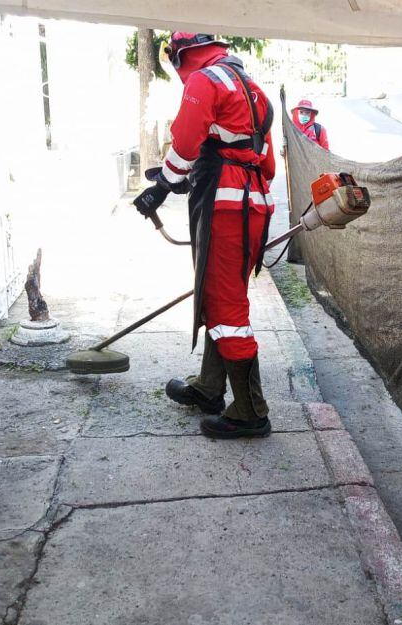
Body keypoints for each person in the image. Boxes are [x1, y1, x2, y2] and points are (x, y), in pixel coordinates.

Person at [132, 32, 276, 439]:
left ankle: (250, 411)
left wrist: (163, 186)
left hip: (225, 207)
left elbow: (186, 141)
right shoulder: (253, 89)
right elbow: (266, 165)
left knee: (227, 308)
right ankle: (211, 387)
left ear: (181, 55)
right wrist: (192, 175)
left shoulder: (205, 79)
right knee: (220, 297)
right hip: (251, 206)